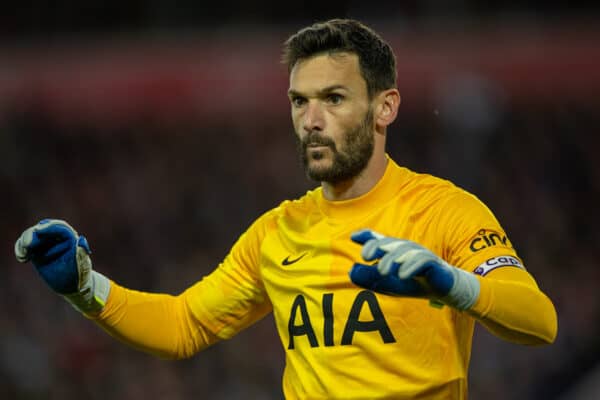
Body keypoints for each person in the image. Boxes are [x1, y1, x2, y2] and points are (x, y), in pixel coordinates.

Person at [14, 18, 557, 399]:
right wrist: (86, 290)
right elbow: (182, 325)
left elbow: (538, 321)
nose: (311, 120)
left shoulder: (443, 210)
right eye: (300, 100)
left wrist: (449, 285)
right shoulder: (277, 232)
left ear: (384, 106)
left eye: (334, 99)